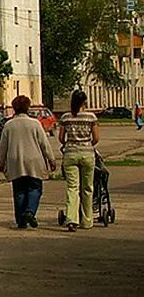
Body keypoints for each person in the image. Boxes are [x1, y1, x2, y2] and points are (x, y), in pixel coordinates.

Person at [0, 95, 57, 229]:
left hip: (15, 161)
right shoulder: (35, 123)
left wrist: (1, 163)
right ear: (27, 107)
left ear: (14, 108)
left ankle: (21, 220)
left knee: (19, 191)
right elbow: (44, 144)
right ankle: (30, 211)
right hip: (34, 161)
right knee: (35, 188)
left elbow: (3, 147)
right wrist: (51, 160)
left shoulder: (8, 125)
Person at [58, 89, 99, 231]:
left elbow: (61, 138)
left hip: (70, 155)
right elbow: (96, 138)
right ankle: (87, 221)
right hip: (87, 154)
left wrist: (70, 144)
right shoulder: (91, 117)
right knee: (87, 188)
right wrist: (87, 145)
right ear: (85, 101)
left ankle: (72, 219)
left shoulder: (66, 117)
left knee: (72, 188)